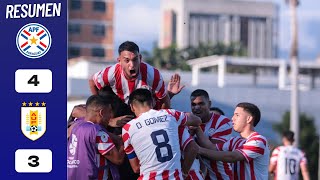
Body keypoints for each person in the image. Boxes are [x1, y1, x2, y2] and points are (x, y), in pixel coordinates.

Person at [122, 89, 201, 179]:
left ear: (132, 107)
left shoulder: (127, 128)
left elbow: (136, 168)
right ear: (153, 102)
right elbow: (197, 121)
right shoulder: (170, 114)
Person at [195, 102, 270, 179]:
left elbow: (232, 157)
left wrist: (199, 150)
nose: (232, 118)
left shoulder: (258, 140)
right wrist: (197, 128)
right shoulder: (235, 141)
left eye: (237, 115)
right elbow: (211, 147)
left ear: (249, 119)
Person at [89, 41, 170, 109]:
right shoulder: (110, 74)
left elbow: (164, 100)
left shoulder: (153, 75)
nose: (132, 65)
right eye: (127, 60)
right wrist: (107, 118)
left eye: (135, 60)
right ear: (119, 61)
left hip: (145, 113)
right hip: (121, 111)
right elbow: (92, 81)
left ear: (140, 58)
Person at [67, 95, 125, 180]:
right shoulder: (98, 132)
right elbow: (118, 159)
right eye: (109, 112)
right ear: (101, 113)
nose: (110, 117)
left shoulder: (74, 127)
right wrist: (122, 142)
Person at [190, 89, 233, 179]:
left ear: (209, 104)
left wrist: (196, 129)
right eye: (193, 104)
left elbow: (213, 152)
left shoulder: (223, 122)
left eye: (201, 103)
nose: (197, 107)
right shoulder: (187, 121)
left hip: (220, 176)